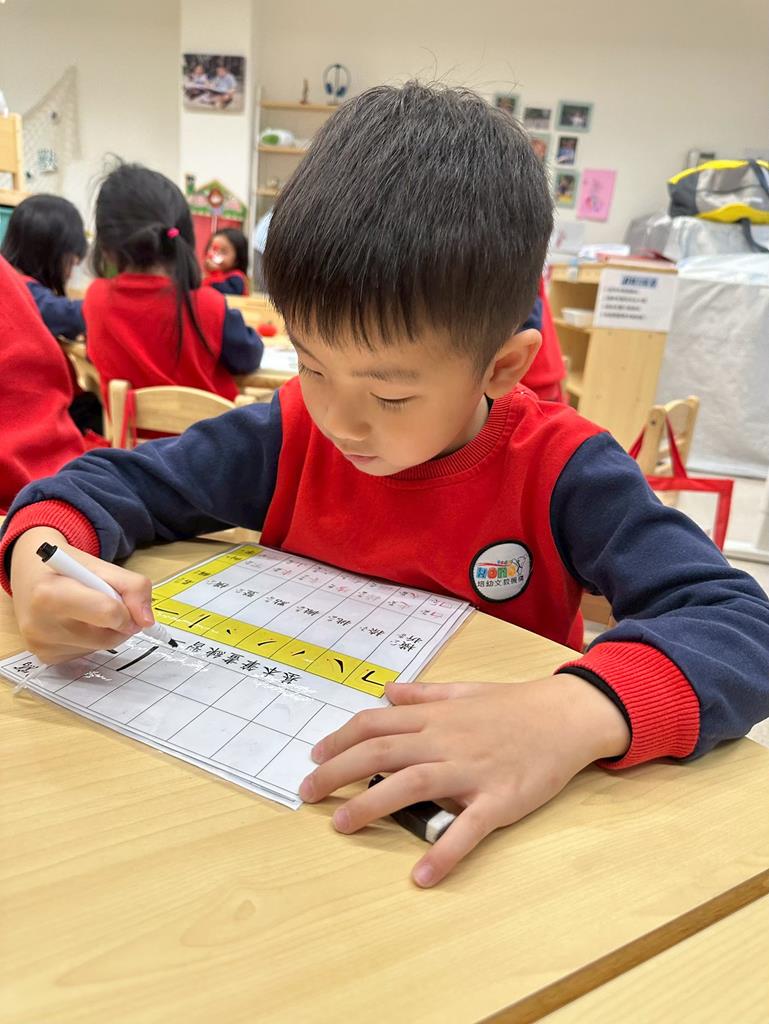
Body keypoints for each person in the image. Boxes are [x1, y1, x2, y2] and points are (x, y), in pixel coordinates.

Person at [3, 84, 768, 890]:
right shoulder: (288, 433)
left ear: (501, 368)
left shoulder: (563, 469)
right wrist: (41, 556)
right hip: (270, 815)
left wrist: (573, 712)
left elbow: (739, 625)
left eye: (391, 395)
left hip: (477, 847)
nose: (339, 421)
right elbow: (106, 480)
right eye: (312, 365)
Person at [82, 163, 263, 403]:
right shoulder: (209, 306)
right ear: (183, 237)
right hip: (210, 428)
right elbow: (249, 357)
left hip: (128, 428)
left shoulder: (95, 299)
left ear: (106, 248)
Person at [0, 254, 106, 513]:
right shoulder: (26, 289)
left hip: (34, 487)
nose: (72, 268)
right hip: (54, 472)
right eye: (72, 259)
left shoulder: (99, 296)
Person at [1, 194, 87, 340]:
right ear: (49, 253)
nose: (70, 275)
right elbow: (67, 315)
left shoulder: (7, 278)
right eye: (70, 263)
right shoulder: (23, 293)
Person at [202, 228, 250, 296]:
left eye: (223, 252)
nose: (215, 255)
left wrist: (215, 272)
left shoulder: (237, 277)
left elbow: (231, 294)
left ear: (237, 259)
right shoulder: (207, 276)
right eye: (214, 249)